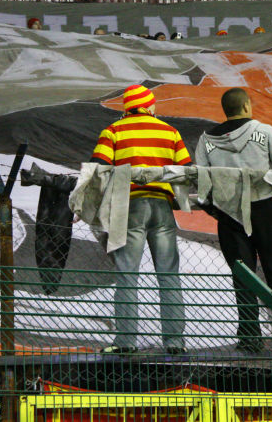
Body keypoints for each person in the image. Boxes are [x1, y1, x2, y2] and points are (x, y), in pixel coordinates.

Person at [194, 88, 272, 353]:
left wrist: (218, 208)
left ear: (225, 110)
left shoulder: (205, 140)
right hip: (265, 210)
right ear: (246, 106)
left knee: (243, 277)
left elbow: (201, 182)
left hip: (229, 216)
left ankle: (250, 338)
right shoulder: (265, 132)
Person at [91, 85, 191, 355]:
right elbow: (184, 168)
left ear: (127, 107)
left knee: (127, 274)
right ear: (149, 106)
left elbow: (98, 169)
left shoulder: (112, 131)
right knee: (168, 273)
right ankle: (175, 342)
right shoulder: (169, 131)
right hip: (161, 206)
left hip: (129, 205)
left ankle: (126, 342)